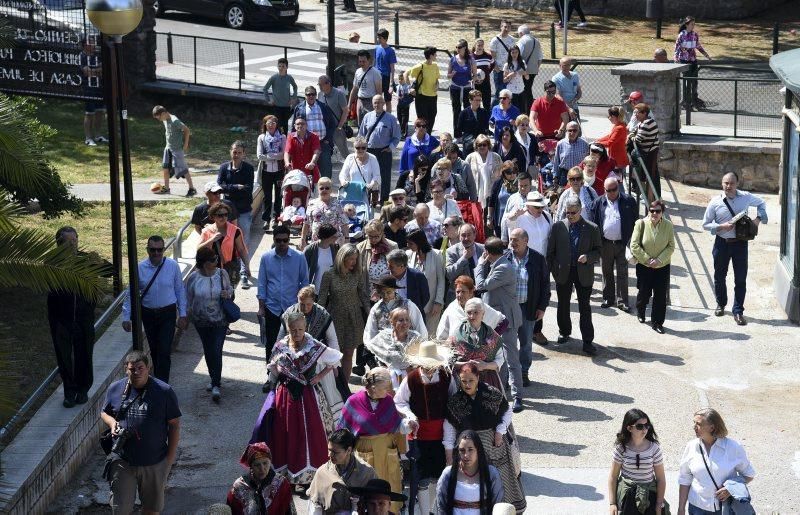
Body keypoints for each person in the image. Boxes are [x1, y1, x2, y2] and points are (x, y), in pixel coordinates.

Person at [258, 312, 343, 485]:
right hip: (286, 397)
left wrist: (320, 376)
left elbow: (335, 359)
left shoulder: (313, 346)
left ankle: (310, 477)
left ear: (306, 328)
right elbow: (273, 367)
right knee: (286, 432)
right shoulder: (281, 346)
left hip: (309, 397)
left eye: (300, 329)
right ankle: (289, 475)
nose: (297, 333)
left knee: (309, 433)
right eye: (293, 330)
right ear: (288, 329)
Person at [100, 350, 181, 514]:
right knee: (120, 510)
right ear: (125, 369)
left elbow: (174, 424)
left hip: (154, 461)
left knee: (151, 509)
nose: (136, 372)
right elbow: (104, 412)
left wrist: (169, 460)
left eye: (140, 368)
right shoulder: (116, 388)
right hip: (122, 460)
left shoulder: (164, 391)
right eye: (132, 369)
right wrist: (112, 422)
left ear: (148, 368)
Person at [443, 364, 525, 512]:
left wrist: (500, 432)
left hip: (493, 444)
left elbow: (507, 412)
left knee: (502, 483)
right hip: (468, 447)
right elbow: (449, 430)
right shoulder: (455, 402)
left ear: (478, 378)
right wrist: (449, 456)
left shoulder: (491, 393)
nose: (467, 385)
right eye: (464, 381)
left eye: (471, 380)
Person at [48, 227, 111, 408]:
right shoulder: (52, 263)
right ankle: (69, 392)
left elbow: (111, 271)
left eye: (74, 241)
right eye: (67, 242)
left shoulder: (86, 259)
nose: (72, 245)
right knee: (64, 357)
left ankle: (83, 389)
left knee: (84, 354)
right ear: (59, 243)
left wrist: (100, 263)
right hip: (61, 318)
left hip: (83, 318)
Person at [338, 367, 416, 514]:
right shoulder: (353, 402)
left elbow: (396, 426)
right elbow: (343, 432)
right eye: (385, 387)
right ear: (373, 388)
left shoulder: (388, 401)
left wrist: (408, 425)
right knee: (366, 490)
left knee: (388, 489)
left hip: (387, 453)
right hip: (364, 454)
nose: (389, 390)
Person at [394, 339, 456, 515]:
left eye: (433, 364)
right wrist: (411, 417)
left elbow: (454, 399)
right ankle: (424, 511)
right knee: (421, 477)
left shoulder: (446, 376)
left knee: (438, 474)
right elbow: (399, 401)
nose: (430, 368)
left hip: (442, 435)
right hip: (419, 435)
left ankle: (434, 511)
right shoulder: (411, 379)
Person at [701, 172, 767, 326]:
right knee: (719, 276)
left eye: (731, 183)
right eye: (725, 183)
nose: (728, 186)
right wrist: (720, 227)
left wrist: (758, 219)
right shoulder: (715, 202)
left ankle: (738, 311)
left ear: (737, 183)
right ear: (722, 184)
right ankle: (721, 304)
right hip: (721, 243)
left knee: (740, 279)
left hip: (740, 244)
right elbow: (705, 224)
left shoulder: (746, 197)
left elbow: (762, 203)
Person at [122, 235, 188, 383]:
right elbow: (130, 293)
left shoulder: (172, 266)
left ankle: (162, 384)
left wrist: (182, 313)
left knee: (164, 351)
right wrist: (126, 317)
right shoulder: (140, 268)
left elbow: (180, 290)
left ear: (164, 250)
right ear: (147, 250)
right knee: (155, 350)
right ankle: (157, 380)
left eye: (160, 250)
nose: (157, 253)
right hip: (148, 314)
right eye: (153, 250)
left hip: (168, 313)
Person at [547, 197, 601, 356]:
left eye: (573, 213)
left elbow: (598, 251)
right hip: (563, 272)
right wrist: (554, 272)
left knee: (585, 307)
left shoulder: (592, 228)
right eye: (567, 212)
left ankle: (587, 341)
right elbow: (550, 253)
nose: (570, 215)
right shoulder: (558, 227)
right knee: (563, 304)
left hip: (583, 272)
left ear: (580, 210)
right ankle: (564, 331)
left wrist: (588, 257)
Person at [475, 237, 524, 411]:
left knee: (511, 358)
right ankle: (501, 394)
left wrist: (480, 265)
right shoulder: (499, 264)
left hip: (506, 320)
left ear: (487, 253)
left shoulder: (503, 267)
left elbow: (481, 285)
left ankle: (518, 396)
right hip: (496, 319)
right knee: (499, 358)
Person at [678, 408, 755, 515]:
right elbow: (684, 478)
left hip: (723, 509)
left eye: (699, 424)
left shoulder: (733, 447)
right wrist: (681, 508)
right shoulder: (691, 446)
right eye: (694, 423)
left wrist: (730, 489)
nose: (694, 427)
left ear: (712, 427)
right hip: (696, 507)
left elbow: (749, 474)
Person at [257, 225, 309, 370]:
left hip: (292, 308)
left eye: (285, 240)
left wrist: (303, 307)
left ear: (289, 240)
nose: (282, 244)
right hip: (272, 307)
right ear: (274, 240)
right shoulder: (266, 258)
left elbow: (304, 283)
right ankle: (271, 375)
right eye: (278, 240)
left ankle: (291, 373)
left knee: (294, 341)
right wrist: (261, 308)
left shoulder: (299, 257)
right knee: (271, 343)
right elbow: (262, 283)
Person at [186, 246, 234, 402]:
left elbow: (230, 289)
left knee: (216, 349)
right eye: (213, 259)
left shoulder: (222, 274)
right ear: (205, 263)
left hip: (220, 320)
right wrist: (185, 315)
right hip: (201, 321)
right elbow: (188, 298)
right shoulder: (194, 278)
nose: (216, 261)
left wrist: (228, 293)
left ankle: (216, 384)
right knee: (208, 350)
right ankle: (213, 377)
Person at [318, 243, 371, 378]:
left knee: (348, 354)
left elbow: (363, 294)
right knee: (334, 355)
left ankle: (345, 389)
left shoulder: (357, 274)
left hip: (353, 318)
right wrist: (317, 320)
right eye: (351, 259)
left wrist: (370, 313)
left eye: (356, 259)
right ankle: (334, 389)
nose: (354, 262)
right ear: (342, 258)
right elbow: (322, 300)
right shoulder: (329, 275)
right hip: (335, 318)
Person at [508, 228, 550, 387]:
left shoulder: (538, 259)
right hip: (509, 308)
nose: (512, 243)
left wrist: (542, 307)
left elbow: (545, 285)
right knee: (509, 343)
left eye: (516, 240)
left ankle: (524, 372)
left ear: (526, 241)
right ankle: (511, 373)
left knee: (525, 342)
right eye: (511, 239)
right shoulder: (505, 257)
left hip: (528, 307)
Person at [590, 176, 637, 312]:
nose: (611, 193)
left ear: (618, 187)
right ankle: (608, 298)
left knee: (622, 273)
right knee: (606, 272)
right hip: (605, 243)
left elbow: (635, 221)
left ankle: (623, 301)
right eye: (608, 190)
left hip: (623, 243)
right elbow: (594, 223)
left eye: (614, 189)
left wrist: (632, 242)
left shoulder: (629, 201)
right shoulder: (598, 202)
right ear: (604, 190)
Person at [607, 409, 667, 515]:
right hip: (628, 496)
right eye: (640, 426)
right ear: (629, 428)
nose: (644, 429)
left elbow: (661, 478)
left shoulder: (654, 449)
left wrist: (659, 503)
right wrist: (612, 504)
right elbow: (613, 477)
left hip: (649, 494)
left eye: (646, 425)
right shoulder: (621, 448)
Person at [307, 429, 379, 514]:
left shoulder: (366, 473)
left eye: (335, 452)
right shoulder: (322, 472)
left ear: (348, 450)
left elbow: (375, 504)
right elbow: (315, 505)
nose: (329, 455)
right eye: (329, 450)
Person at [436, 429, 505, 515]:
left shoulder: (491, 473)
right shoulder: (448, 474)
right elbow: (441, 506)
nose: (466, 455)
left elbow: (498, 505)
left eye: (470, 449)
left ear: (478, 450)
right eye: (462, 450)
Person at [631, 200, 675, 334]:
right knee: (644, 293)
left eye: (658, 211)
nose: (654, 213)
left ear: (662, 213)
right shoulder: (641, 223)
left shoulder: (668, 226)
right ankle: (641, 310)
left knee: (660, 296)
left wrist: (659, 260)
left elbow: (671, 246)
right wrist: (647, 259)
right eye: (652, 210)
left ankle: (657, 322)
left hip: (662, 267)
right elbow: (634, 245)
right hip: (645, 266)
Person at [217, 140, 255, 289]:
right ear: (230, 152)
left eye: (239, 152)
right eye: (234, 152)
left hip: (244, 210)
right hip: (228, 211)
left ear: (244, 154)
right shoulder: (223, 168)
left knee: (244, 242)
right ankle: (231, 271)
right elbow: (220, 187)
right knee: (229, 241)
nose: (237, 155)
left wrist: (230, 189)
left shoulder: (248, 169)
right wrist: (235, 187)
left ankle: (244, 272)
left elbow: (248, 188)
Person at [198, 203, 252, 295]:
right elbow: (198, 249)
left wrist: (246, 265)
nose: (223, 217)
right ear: (213, 216)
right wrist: (211, 240)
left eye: (226, 214)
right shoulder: (207, 231)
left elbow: (241, 249)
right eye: (220, 215)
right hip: (210, 270)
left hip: (229, 269)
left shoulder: (235, 230)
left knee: (229, 296)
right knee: (213, 296)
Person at [226, 442, 295, 515]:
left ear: (270, 462)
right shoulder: (239, 486)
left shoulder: (281, 483)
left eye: (265, 463)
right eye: (257, 465)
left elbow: (288, 510)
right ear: (251, 466)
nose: (262, 469)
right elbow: (232, 511)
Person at [358, 95, 402, 204]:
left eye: (379, 102)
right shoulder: (367, 116)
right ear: (372, 104)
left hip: (384, 152)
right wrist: (361, 149)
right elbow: (361, 135)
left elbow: (397, 136)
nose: (377, 105)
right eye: (375, 102)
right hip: (369, 151)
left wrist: (390, 148)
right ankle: (367, 199)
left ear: (383, 104)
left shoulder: (391, 119)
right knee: (367, 175)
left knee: (385, 177)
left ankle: (384, 200)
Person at [292, 85, 339, 180]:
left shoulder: (323, 107)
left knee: (326, 169)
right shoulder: (299, 108)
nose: (311, 96)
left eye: (313, 94)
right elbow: (294, 126)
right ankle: (309, 192)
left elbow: (332, 124)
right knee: (307, 170)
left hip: (322, 142)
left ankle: (326, 191)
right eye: (308, 94)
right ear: (305, 96)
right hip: (306, 143)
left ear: (316, 95)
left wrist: (327, 139)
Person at [437, 275, 507, 340]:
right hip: (455, 350)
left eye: (463, 292)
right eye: (458, 292)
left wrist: (490, 342)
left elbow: (503, 321)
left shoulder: (479, 305)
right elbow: (442, 332)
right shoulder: (452, 308)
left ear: (471, 292)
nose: (460, 295)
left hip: (477, 350)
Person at [366, 307, 420, 388]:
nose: (405, 323)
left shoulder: (415, 337)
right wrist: (384, 368)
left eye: (407, 320)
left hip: (411, 376)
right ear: (392, 322)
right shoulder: (384, 336)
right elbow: (374, 351)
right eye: (401, 320)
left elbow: (421, 360)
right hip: (388, 377)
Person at [364, 276, 427, 345]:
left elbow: (419, 325)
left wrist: (422, 343)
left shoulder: (408, 305)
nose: (385, 296)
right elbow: (371, 331)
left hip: (406, 345)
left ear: (395, 290)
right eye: (382, 293)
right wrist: (371, 346)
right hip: (384, 347)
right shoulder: (376, 308)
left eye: (388, 292)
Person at [406, 229, 446, 333]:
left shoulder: (436, 255)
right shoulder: (409, 255)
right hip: (414, 305)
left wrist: (438, 302)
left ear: (419, 242)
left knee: (430, 335)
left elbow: (441, 280)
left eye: (411, 243)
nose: (408, 245)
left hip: (432, 305)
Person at [277, 285, 339, 351]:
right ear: (298, 300)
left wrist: (334, 359)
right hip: (292, 351)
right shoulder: (289, 313)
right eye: (302, 304)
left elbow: (333, 341)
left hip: (316, 355)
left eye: (308, 304)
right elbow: (280, 338)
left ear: (313, 301)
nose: (305, 308)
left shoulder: (323, 315)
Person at [152, 105, 195, 196]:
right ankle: (167, 188)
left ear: (163, 113)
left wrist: (186, 144)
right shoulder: (164, 120)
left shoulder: (175, 120)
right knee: (165, 168)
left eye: (159, 117)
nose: (159, 120)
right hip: (168, 148)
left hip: (177, 150)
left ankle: (192, 188)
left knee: (183, 169)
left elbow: (187, 130)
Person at [674, 17, 712, 111]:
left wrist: (706, 55)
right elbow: (677, 49)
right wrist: (676, 59)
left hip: (693, 61)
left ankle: (694, 100)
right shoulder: (681, 35)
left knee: (694, 82)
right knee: (687, 82)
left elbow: (698, 46)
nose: (693, 26)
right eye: (691, 24)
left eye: (694, 24)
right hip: (684, 61)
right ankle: (686, 102)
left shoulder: (695, 35)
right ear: (686, 24)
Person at [301, 177, 350, 250]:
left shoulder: (337, 204)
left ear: (331, 190)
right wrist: (302, 239)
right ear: (318, 189)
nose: (324, 190)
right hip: (316, 241)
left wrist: (347, 238)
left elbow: (344, 223)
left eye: (327, 188)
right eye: (321, 188)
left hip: (333, 242)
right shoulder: (312, 204)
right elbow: (306, 223)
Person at [256, 115, 286, 231]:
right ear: (265, 125)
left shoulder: (282, 137)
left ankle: (276, 218)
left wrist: (269, 156)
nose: (271, 125)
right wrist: (274, 156)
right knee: (267, 196)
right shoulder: (262, 138)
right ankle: (266, 219)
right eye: (269, 123)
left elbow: (283, 154)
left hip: (279, 171)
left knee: (278, 195)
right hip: (266, 171)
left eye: (273, 123)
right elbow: (259, 156)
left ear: (276, 125)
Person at [629, 102, 661, 202]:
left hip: (649, 154)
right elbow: (635, 130)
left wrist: (631, 137)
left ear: (644, 113)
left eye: (637, 113)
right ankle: (651, 197)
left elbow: (637, 139)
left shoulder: (646, 123)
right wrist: (633, 134)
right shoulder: (646, 122)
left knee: (651, 176)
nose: (635, 115)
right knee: (651, 175)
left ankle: (653, 199)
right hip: (650, 153)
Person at [386, 248, 431, 316]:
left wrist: (414, 312)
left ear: (402, 266)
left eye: (391, 266)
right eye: (388, 265)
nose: (388, 268)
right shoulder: (385, 278)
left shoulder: (418, 277)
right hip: (392, 317)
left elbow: (425, 297)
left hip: (413, 317)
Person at [445, 224, 485, 297]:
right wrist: (464, 258)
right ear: (459, 236)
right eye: (463, 235)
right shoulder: (451, 251)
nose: (466, 238)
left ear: (474, 235)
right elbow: (449, 274)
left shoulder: (483, 249)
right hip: (461, 296)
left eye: (469, 235)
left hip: (481, 294)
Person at [80, 37, 107, 147]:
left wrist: (94, 71)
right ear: (85, 45)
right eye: (91, 43)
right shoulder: (81, 56)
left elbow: (103, 70)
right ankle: (88, 138)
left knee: (100, 112)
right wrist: (96, 71)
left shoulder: (97, 56)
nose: (94, 45)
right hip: (88, 88)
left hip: (99, 87)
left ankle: (98, 135)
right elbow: (87, 72)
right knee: (89, 113)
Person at [318, 75, 351, 161]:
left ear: (328, 84)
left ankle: (353, 167)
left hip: (337, 128)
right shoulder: (320, 94)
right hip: (325, 129)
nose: (320, 87)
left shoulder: (339, 94)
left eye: (321, 84)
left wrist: (340, 126)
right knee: (325, 151)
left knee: (344, 151)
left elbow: (345, 111)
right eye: (319, 85)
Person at [465, 134, 502, 211]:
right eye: (479, 145)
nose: (482, 147)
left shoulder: (496, 157)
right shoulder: (470, 157)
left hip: (492, 191)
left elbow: (501, 172)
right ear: (476, 146)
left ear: (488, 145)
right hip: (475, 192)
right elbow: (465, 174)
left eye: (484, 144)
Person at [341, 135, 382, 205]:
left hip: (367, 193)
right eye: (358, 148)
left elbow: (377, 175)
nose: (360, 150)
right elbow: (343, 174)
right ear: (354, 148)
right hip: (352, 192)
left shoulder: (373, 158)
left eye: (363, 148)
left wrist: (371, 184)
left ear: (366, 148)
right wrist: (343, 181)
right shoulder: (350, 158)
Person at [408, 47, 441, 131]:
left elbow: (437, 79)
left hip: (433, 97)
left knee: (432, 117)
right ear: (431, 55)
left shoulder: (435, 66)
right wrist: (410, 88)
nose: (436, 55)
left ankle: (428, 136)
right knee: (423, 120)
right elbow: (406, 74)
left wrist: (437, 85)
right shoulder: (420, 66)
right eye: (435, 54)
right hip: (422, 97)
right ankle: (421, 136)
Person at [449, 39, 478, 135]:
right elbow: (448, 75)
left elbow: (475, 75)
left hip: (467, 88)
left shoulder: (471, 60)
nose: (457, 49)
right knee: (456, 111)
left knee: (467, 110)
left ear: (465, 48)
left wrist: (473, 80)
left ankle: (467, 133)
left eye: (459, 47)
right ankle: (457, 135)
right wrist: (451, 74)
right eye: (456, 47)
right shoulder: (453, 59)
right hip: (455, 87)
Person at [263, 57, 298, 134]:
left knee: (285, 125)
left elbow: (295, 87)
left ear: (287, 67)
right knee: (277, 124)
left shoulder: (289, 78)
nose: (281, 68)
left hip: (286, 105)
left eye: (283, 66)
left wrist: (294, 98)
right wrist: (268, 100)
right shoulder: (274, 77)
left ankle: (285, 141)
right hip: (276, 106)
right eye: (279, 66)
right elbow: (265, 88)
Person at [514, 190, 552, 259]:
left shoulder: (547, 216)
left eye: (542, 206)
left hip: (544, 261)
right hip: (526, 261)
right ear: (528, 206)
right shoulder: (520, 219)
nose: (540, 209)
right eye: (537, 207)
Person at [349, 50, 384, 125]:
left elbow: (379, 92)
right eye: (360, 61)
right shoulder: (358, 72)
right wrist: (349, 105)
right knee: (360, 125)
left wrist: (379, 106)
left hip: (371, 102)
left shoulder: (375, 73)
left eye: (363, 61)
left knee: (371, 124)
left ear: (369, 60)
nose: (361, 63)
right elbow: (354, 89)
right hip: (360, 101)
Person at [285, 117, 322, 186]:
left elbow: (316, 152)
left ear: (306, 125)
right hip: (296, 173)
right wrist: (287, 162)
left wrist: (312, 162)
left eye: (302, 124)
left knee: (313, 195)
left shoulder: (314, 136)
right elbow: (287, 151)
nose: (300, 126)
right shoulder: (291, 137)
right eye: (298, 124)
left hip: (311, 172)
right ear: (294, 126)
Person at [487, 161, 519, 237]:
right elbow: (491, 202)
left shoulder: (520, 183)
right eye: (509, 172)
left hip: (517, 221)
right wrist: (489, 218)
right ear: (504, 173)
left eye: (514, 172)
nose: (512, 175)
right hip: (500, 221)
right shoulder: (498, 183)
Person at [553, 121, 590, 187]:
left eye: (575, 130)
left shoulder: (585, 144)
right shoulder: (560, 144)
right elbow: (556, 162)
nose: (572, 133)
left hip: (579, 175)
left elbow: (587, 162)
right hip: (564, 174)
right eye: (570, 130)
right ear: (566, 131)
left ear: (578, 131)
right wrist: (555, 176)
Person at [304, 223, 339, 290]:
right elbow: (302, 270)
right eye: (333, 236)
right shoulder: (310, 250)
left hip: (331, 290)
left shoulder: (335, 248)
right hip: (315, 290)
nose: (336, 238)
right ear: (325, 237)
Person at [500, 170, 534, 242]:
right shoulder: (512, 199)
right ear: (517, 185)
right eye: (520, 186)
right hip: (515, 239)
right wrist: (504, 238)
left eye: (525, 185)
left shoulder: (537, 198)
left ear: (530, 184)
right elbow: (505, 218)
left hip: (532, 238)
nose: (523, 188)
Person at [595, 106, 629, 175]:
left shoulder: (619, 128)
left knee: (618, 182)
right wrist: (598, 140)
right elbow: (609, 136)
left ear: (613, 116)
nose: (609, 118)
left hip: (618, 160)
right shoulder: (618, 125)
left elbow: (610, 143)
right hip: (616, 159)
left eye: (609, 116)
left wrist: (598, 143)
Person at [516, 25, 543, 111]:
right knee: (528, 89)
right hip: (533, 70)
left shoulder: (521, 41)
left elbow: (517, 56)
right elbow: (540, 58)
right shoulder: (536, 41)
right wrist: (536, 68)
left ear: (521, 33)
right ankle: (530, 109)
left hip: (523, 70)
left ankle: (524, 110)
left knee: (522, 90)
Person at [489, 21, 516, 105]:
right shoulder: (495, 40)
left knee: (508, 92)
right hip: (499, 70)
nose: (507, 29)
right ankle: (493, 111)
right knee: (499, 93)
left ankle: (506, 109)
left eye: (508, 27)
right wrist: (496, 68)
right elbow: (492, 57)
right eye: (505, 27)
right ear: (501, 27)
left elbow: (514, 54)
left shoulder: (512, 40)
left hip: (509, 70)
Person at [457, 90, 491, 155]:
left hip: (481, 142)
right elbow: (459, 127)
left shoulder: (483, 112)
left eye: (479, 100)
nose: (478, 102)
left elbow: (486, 126)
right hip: (469, 142)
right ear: (470, 100)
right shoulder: (464, 113)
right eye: (476, 100)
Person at [552, 56, 582, 120]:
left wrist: (575, 99)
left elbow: (579, 91)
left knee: (576, 128)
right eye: (564, 65)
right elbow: (558, 95)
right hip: (562, 109)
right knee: (563, 129)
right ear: (560, 66)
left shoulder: (575, 75)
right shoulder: (556, 78)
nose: (566, 67)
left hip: (574, 107)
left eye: (568, 65)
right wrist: (568, 108)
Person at [375, 29, 397, 113]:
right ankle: (378, 115)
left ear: (385, 38)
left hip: (386, 77)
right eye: (378, 38)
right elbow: (375, 63)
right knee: (377, 98)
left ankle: (388, 117)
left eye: (380, 38)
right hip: (377, 77)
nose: (378, 40)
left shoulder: (390, 51)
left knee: (388, 100)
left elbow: (392, 68)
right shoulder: (377, 48)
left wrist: (391, 83)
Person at [503, 46, 528, 115]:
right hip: (511, 91)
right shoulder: (507, 65)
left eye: (516, 52)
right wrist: (510, 75)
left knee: (522, 112)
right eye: (513, 52)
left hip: (521, 89)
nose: (514, 54)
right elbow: (504, 80)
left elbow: (527, 77)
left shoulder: (522, 63)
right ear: (510, 53)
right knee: (513, 112)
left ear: (518, 53)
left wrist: (525, 73)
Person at [514, 115, 539, 180]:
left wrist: (540, 150)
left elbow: (537, 152)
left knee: (528, 187)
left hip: (530, 168)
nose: (525, 127)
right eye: (522, 125)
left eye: (526, 125)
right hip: (518, 169)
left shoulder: (532, 137)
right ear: (517, 125)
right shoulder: (513, 138)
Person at [471, 39, 494, 111]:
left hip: (486, 84)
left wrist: (486, 73)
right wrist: (473, 76)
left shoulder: (488, 56)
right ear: (475, 45)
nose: (480, 47)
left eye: (482, 45)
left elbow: (493, 64)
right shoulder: (470, 57)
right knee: (475, 104)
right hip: (475, 85)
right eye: (478, 45)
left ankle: (486, 121)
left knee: (487, 104)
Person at [396, 71, 412, 138]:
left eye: (402, 79)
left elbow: (409, 92)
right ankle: (401, 131)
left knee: (404, 120)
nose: (400, 80)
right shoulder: (398, 86)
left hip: (405, 105)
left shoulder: (407, 86)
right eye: (399, 79)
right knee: (399, 118)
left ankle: (404, 133)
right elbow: (397, 95)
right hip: (399, 105)